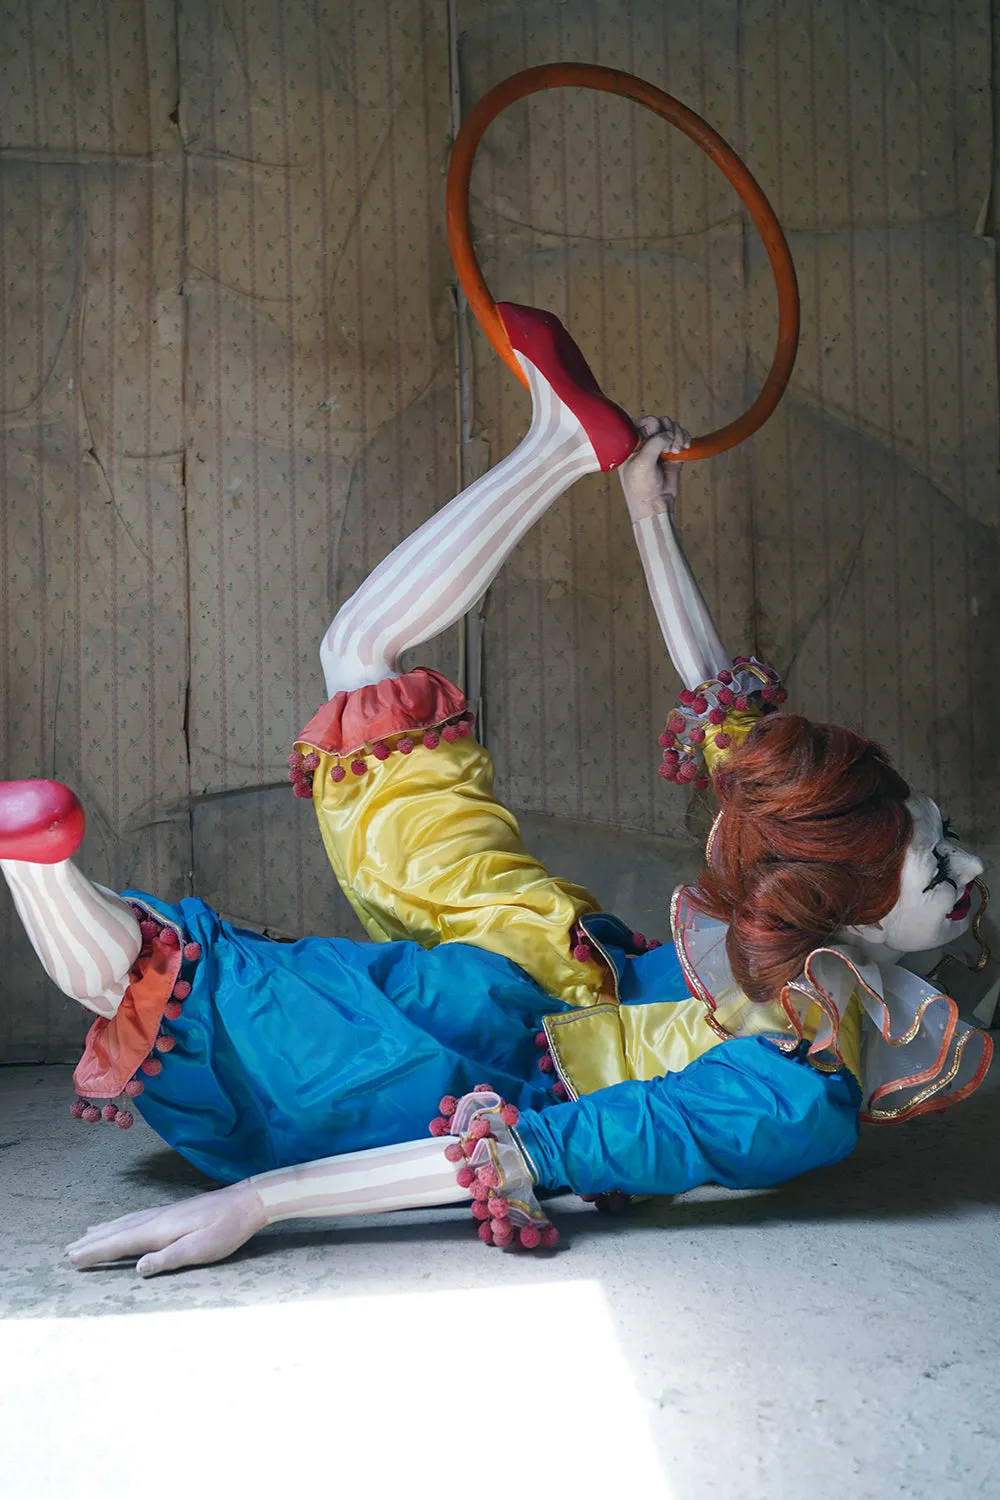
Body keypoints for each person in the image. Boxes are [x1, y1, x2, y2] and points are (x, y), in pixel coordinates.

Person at [0, 305, 990, 1278]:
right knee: (357, 660)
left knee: (189, 991)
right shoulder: (803, 1021)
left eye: (940, 853)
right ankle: (561, 443)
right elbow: (722, 702)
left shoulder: (789, 1096)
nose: (974, 865)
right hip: (533, 958)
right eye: (940, 854)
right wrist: (644, 504)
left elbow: (535, 1145)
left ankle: (33, 859)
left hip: (443, 1082)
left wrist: (263, 1202)